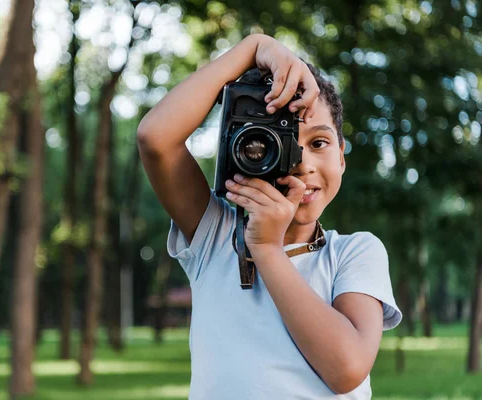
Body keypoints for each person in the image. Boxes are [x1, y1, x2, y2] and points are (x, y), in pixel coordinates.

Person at [137, 33, 402, 399]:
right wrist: (254, 48)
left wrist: (267, 249)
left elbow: (347, 369)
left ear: (341, 156)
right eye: (276, 142)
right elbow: (155, 138)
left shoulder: (354, 253)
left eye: (319, 144)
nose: (303, 163)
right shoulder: (215, 234)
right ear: (244, 151)